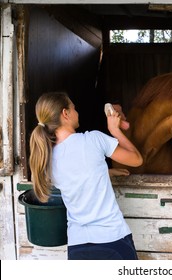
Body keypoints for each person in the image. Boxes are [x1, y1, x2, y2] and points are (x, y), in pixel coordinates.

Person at [29, 91, 143, 260]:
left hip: (77, 246)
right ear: (65, 113)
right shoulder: (94, 140)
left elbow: (76, 174)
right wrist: (115, 130)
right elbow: (136, 159)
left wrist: (105, 172)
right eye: (74, 108)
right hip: (112, 239)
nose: (77, 112)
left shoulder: (46, 159)